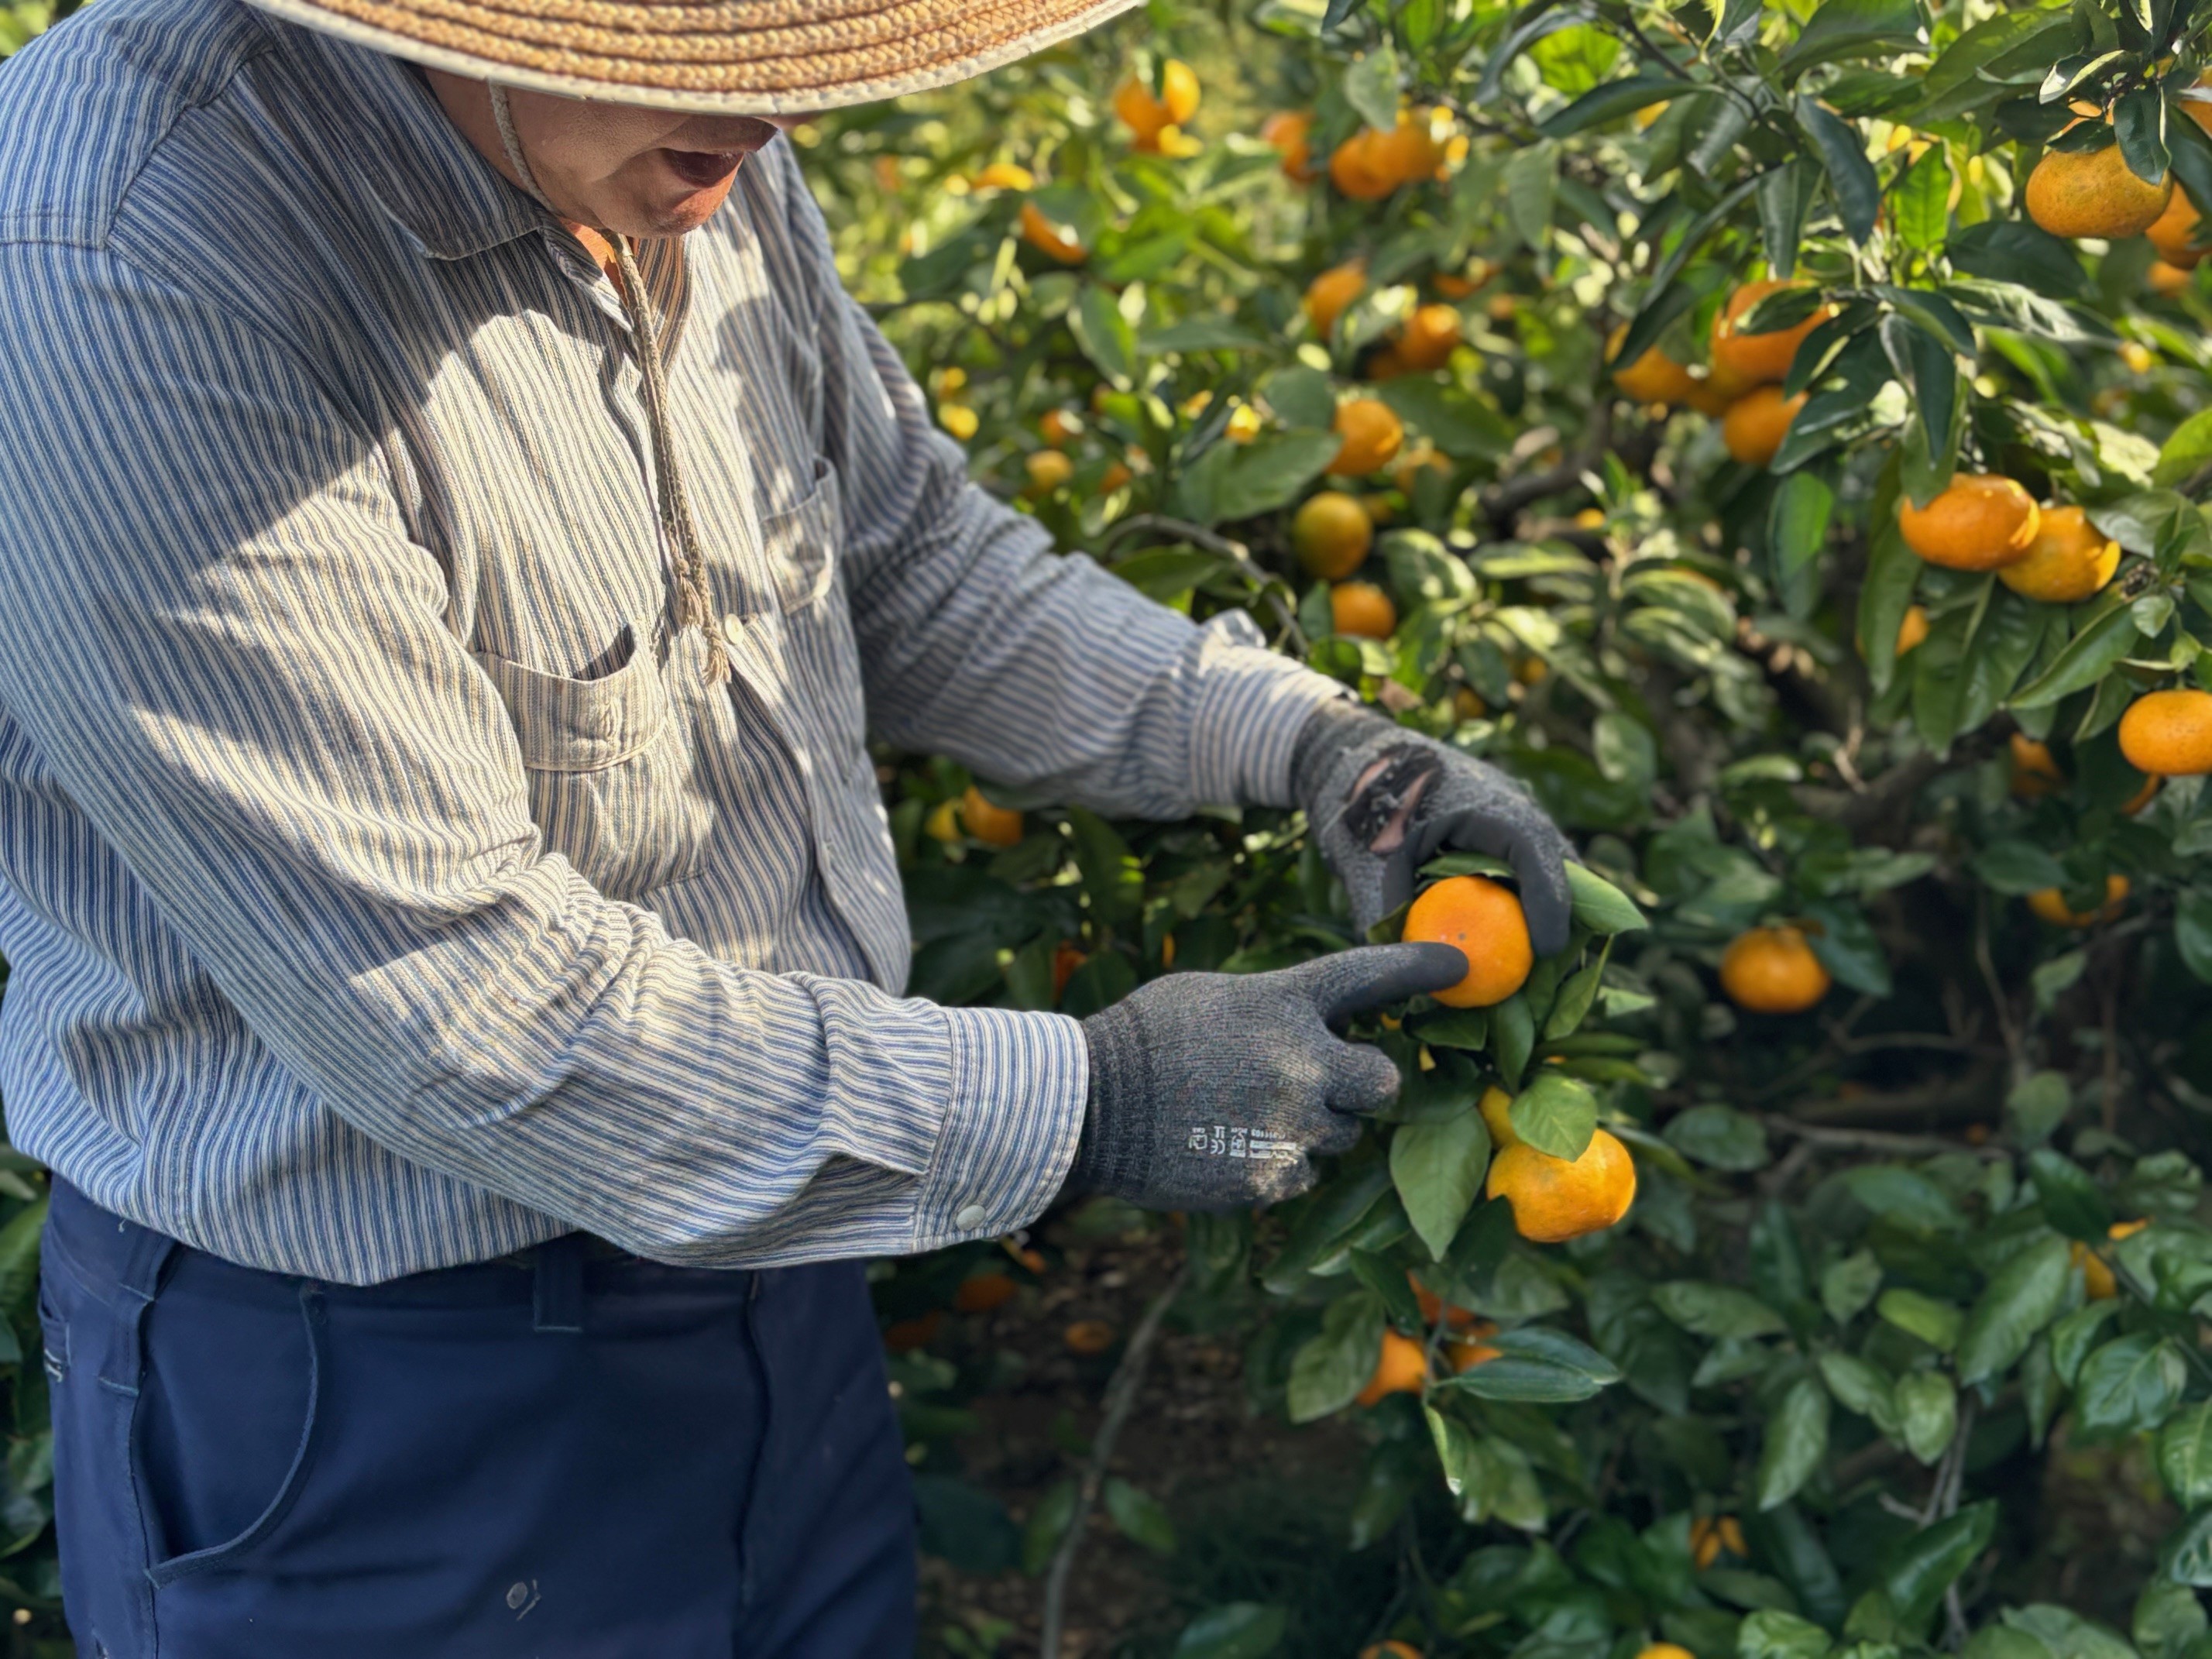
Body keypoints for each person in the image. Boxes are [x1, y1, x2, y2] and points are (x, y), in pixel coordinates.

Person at [0, 0, 1575, 1647]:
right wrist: (1089, 1101)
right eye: (698, 45)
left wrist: (1315, 744)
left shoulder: (678, 136)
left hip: (779, 1259)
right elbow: (452, 1000)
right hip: (379, 1379)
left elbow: (896, 556)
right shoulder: (130, 258)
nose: (766, 114)